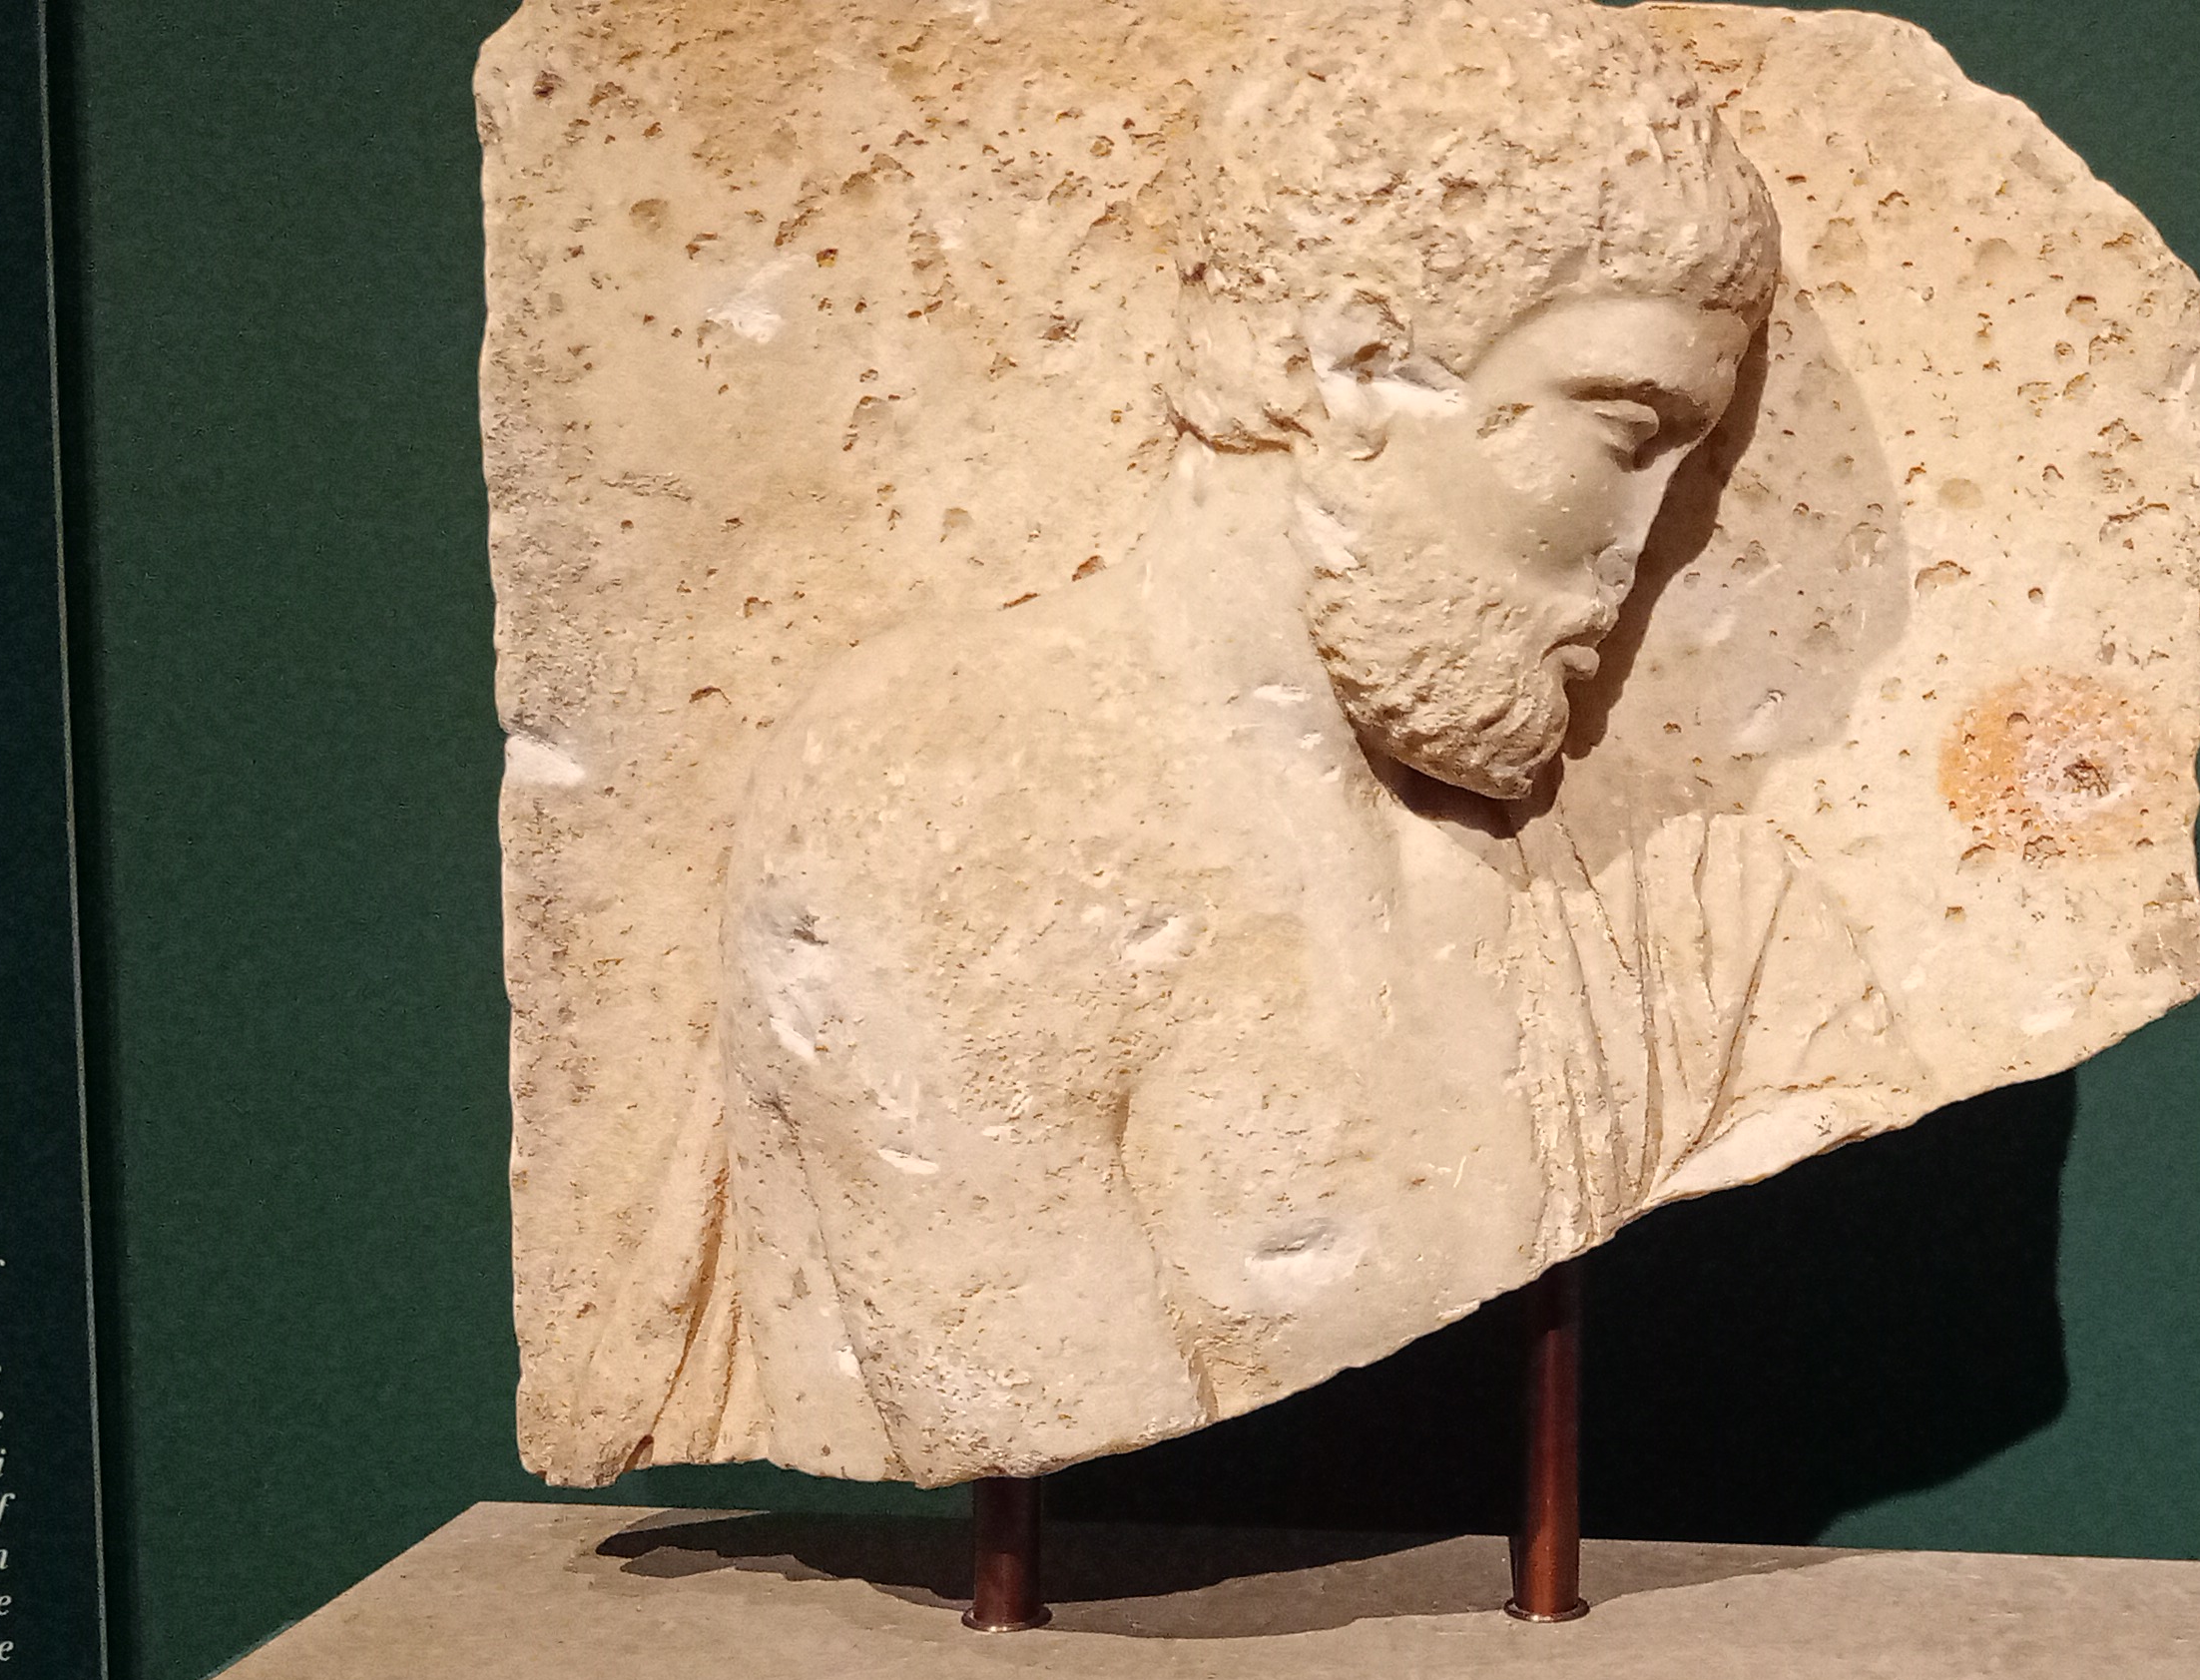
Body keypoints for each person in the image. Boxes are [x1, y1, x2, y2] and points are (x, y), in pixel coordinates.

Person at [540, 0, 1919, 1486]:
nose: (1642, 548)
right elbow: (1020, 1397)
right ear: (1347, 365)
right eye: (1624, 433)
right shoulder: (948, 803)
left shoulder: (1695, 914)